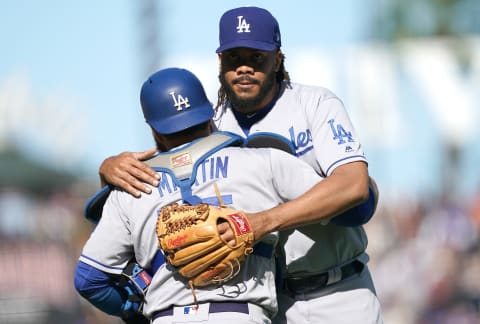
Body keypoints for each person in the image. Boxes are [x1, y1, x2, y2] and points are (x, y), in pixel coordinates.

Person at [97, 6, 383, 323]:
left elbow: (355, 189)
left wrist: (263, 222)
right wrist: (109, 168)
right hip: (264, 303)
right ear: (220, 61)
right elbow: (159, 178)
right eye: (234, 58)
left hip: (338, 291)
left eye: (256, 57)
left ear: (277, 58)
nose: (244, 68)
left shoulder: (314, 104)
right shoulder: (209, 125)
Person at [74, 67, 325, 324]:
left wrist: (139, 310)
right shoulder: (263, 161)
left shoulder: (130, 188)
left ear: (155, 131)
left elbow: (89, 280)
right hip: (240, 314)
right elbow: (352, 204)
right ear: (209, 117)